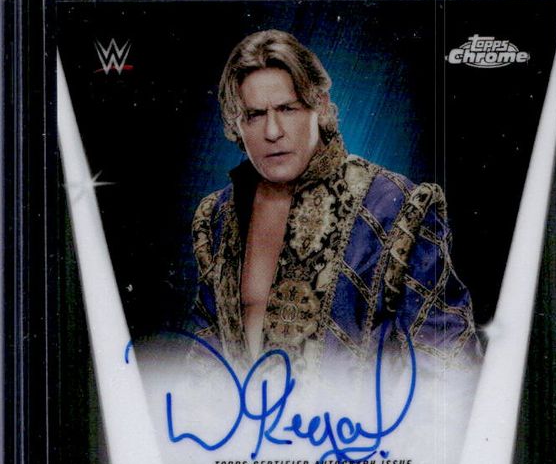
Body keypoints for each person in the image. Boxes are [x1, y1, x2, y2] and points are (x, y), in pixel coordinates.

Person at [190, 29, 478, 375]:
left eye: (287, 109)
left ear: (320, 105)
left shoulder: (397, 208)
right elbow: (205, 355)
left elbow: (447, 360)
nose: (272, 131)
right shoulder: (218, 217)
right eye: (254, 115)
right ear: (236, 124)